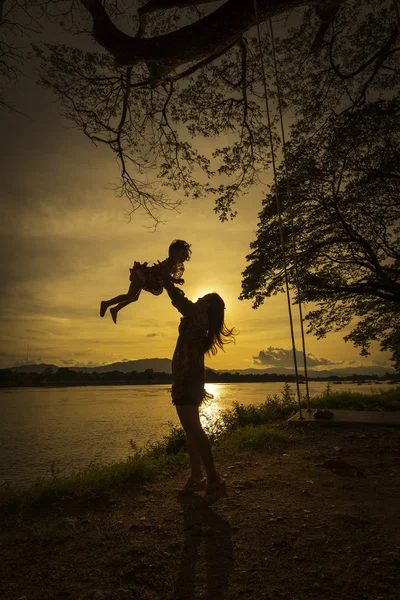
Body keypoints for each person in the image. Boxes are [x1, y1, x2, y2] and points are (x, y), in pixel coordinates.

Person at [163, 278, 236, 505]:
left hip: (187, 379)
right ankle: (197, 476)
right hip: (189, 379)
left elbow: (179, 301)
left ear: (206, 305)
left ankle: (214, 480)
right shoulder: (199, 319)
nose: (197, 299)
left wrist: (166, 282)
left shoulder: (197, 316)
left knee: (194, 430)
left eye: (202, 298)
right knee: (191, 430)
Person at [100, 239, 191, 323]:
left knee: (134, 297)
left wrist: (174, 283)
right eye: (183, 253)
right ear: (175, 252)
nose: (185, 256)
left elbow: (165, 277)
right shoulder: (170, 262)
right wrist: (174, 280)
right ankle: (106, 303)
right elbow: (164, 274)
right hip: (142, 276)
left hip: (146, 278)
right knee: (130, 295)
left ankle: (115, 309)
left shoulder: (173, 263)